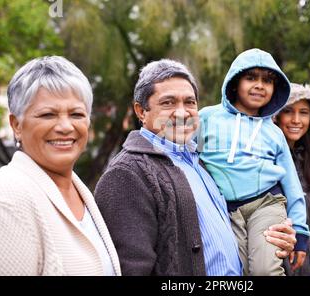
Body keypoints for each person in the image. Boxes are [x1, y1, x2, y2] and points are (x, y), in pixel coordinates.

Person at [94, 59, 298, 276]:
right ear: (141, 111)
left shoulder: (199, 160)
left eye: (189, 102)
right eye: (168, 103)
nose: (182, 113)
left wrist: (274, 237)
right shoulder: (128, 173)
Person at [0, 56, 121, 276]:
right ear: (16, 125)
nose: (66, 127)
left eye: (76, 114)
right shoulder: (5, 201)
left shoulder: (80, 192)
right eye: (48, 114)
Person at [197, 48, 310, 276]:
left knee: (264, 269)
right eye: (251, 78)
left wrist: (299, 231)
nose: (259, 85)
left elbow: (292, 184)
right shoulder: (207, 118)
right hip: (225, 210)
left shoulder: (274, 133)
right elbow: (181, 153)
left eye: (267, 81)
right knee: (234, 270)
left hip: (267, 204)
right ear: (235, 82)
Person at [274, 83, 310, 276]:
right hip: (277, 261)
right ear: (276, 115)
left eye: (304, 112)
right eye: (288, 111)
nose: (296, 120)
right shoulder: (268, 164)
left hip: (307, 261)